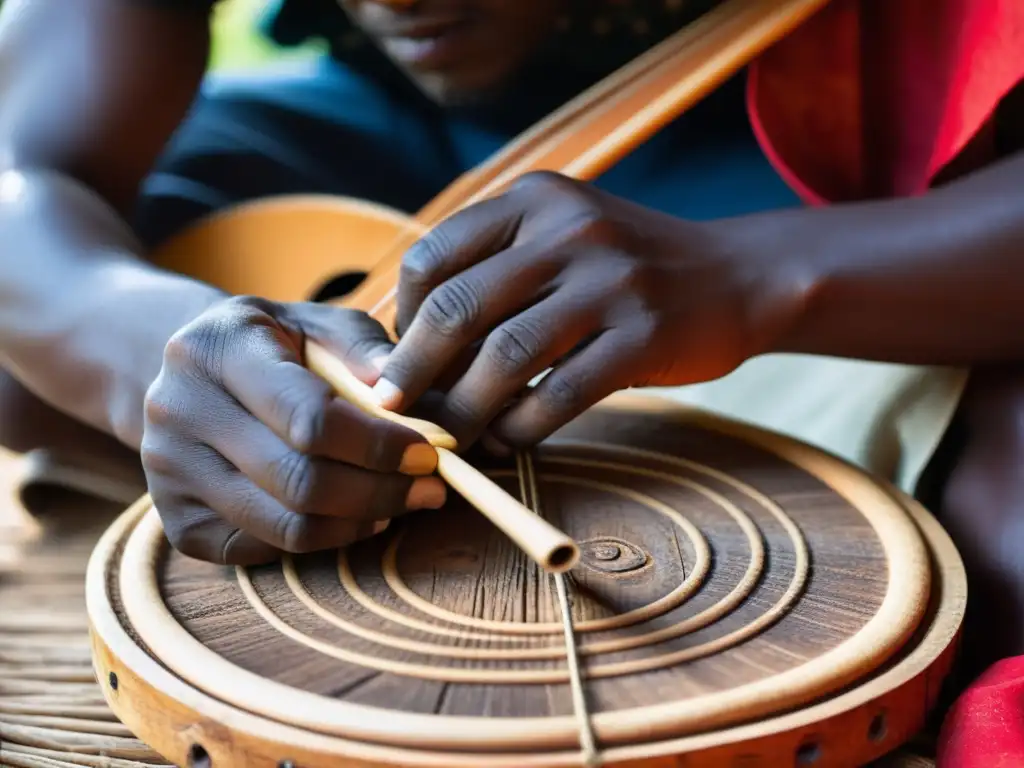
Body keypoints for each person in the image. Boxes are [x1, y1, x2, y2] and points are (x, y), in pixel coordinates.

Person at [2, 1, 1024, 757]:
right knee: (30, 364)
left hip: (791, 153)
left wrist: (752, 277)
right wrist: (161, 350)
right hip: (370, 135)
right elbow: (21, 179)